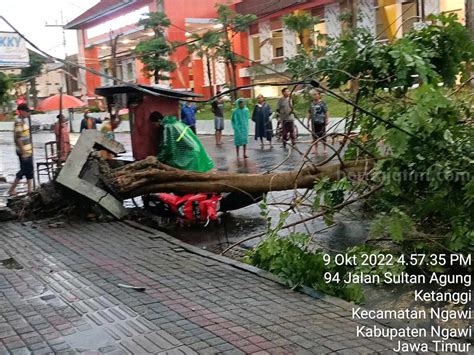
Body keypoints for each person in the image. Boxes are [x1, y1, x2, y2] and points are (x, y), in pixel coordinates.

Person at [151, 112, 215, 173]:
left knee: (192, 176)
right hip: (196, 149)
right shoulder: (177, 123)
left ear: (159, 121)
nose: (155, 126)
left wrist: (158, 159)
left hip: (190, 154)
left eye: (154, 124)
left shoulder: (168, 127)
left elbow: (168, 148)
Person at [8, 104, 34, 196]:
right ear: (22, 111)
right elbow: (18, 138)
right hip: (23, 151)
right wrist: (23, 152)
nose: (28, 113)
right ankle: (12, 189)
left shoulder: (24, 121)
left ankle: (30, 189)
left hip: (28, 150)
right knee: (23, 170)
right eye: (27, 111)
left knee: (29, 170)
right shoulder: (18, 122)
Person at [307, 90, 328, 155]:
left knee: (323, 135)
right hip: (314, 122)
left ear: (319, 95)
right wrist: (308, 121)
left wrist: (327, 119)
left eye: (316, 94)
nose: (315, 96)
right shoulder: (312, 103)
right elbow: (310, 112)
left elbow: (326, 111)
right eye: (314, 95)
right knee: (314, 136)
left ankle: (325, 148)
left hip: (321, 121)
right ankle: (315, 149)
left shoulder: (322, 103)